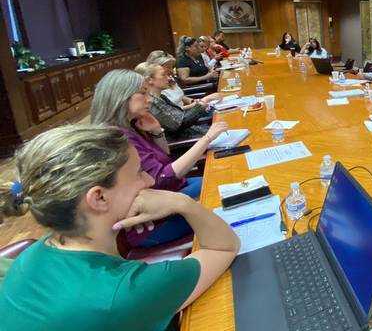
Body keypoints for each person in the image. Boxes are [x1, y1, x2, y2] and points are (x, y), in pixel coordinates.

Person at [0, 124, 239, 330]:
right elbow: (224, 247)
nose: (150, 180)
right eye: (138, 173)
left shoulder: (32, 255)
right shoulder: (124, 291)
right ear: (99, 198)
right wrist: (182, 203)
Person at [91, 69, 229, 247]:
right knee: (226, 198)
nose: (149, 99)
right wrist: (207, 138)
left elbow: (164, 157)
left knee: (225, 179)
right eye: (142, 93)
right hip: (154, 222)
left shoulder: (132, 124)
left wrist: (157, 132)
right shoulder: (117, 137)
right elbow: (161, 179)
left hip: (173, 189)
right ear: (121, 97)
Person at [135, 62, 209, 141]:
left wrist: (197, 106)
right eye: (163, 75)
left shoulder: (161, 97)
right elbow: (177, 125)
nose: (168, 78)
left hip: (193, 132)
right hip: (185, 141)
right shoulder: (150, 103)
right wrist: (201, 107)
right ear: (150, 80)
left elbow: (179, 114)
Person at [146, 51, 222, 108]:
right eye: (168, 67)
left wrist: (192, 101)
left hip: (191, 110)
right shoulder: (156, 86)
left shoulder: (169, 78)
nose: (171, 70)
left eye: (172, 67)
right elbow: (173, 114)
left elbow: (180, 96)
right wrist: (200, 103)